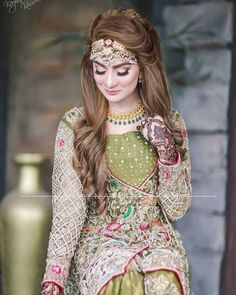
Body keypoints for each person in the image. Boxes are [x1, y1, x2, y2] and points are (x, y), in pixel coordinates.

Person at [40, 7, 192, 295]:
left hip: (157, 240)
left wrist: (166, 151)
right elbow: (68, 210)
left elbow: (177, 207)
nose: (109, 82)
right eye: (100, 70)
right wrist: (54, 277)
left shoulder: (169, 123)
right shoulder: (77, 125)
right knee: (120, 282)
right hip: (99, 242)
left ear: (143, 71)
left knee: (164, 279)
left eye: (121, 71)